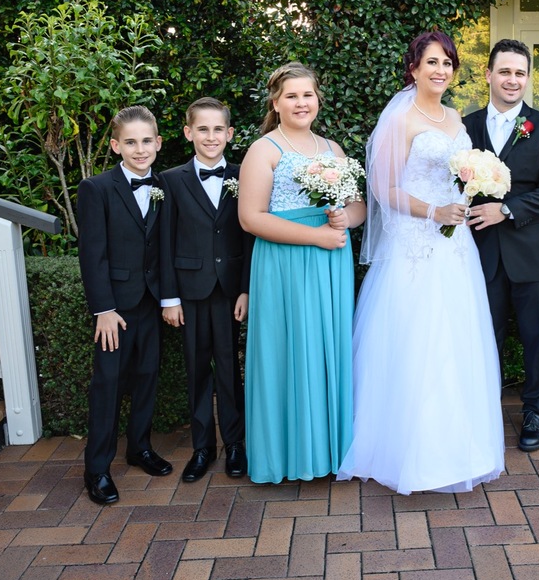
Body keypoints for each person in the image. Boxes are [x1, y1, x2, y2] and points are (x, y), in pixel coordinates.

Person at [336, 31, 504, 494]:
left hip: (455, 246)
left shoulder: (455, 117)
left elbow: (459, 176)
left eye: (447, 63)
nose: (441, 70)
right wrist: (433, 212)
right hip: (414, 246)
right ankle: (406, 451)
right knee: (415, 341)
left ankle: (459, 447)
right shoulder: (399, 119)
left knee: (456, 339)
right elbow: (383, 189)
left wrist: (469, 192)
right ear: (413, 68)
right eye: (432, 62)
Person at [238, 62, 365, 484]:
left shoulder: (333, 150)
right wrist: (316, 237)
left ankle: (329, 451)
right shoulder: (264, 150)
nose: (301, 103)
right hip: (285, 263)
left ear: (317, 100)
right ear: (275, 103)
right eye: (291, 96)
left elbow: (358, 206)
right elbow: (251, 218)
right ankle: (288, 455)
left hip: (330, 262)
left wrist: (345, 218)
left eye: (307, 95)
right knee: (289, 350)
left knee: (327, 347)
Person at [465, 39, 539, 452]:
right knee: (482, 337)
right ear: (488, 74)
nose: (512, 80)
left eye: (520, 73)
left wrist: (506, 210)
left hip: (531, 252)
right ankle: (481, 412)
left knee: (535, 337)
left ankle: (534, 412)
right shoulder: (465, 126)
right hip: (479, 253)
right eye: (505, 71)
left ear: (528, 79)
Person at [77, 105, 173, 505]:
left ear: (158, 143)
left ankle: (139, 447)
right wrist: (103, 309)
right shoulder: (97, 188)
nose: (140, 149)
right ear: (116, 146)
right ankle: (97, 468)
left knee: (147, 376)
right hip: (115, 308)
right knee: (109, 384)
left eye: (147, 141)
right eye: (130, 142)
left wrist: (169, 298)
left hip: (152, 302)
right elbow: (92, 254)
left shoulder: (166, 185)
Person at [160, 97, 253, 481]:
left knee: (230, 369)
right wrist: (170, 298)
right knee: (197, 368)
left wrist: (246, 289)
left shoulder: (244, 175)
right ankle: (202, 448)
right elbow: (164, 243)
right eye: (203, 129)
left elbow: (250, 236)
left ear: (229, 134)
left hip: (230, 290)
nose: (210, 137)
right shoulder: (170, 180)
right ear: (188, 133)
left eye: (218, 129)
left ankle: (235, 445)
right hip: (190, 289)